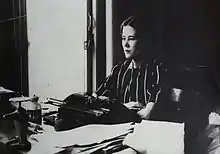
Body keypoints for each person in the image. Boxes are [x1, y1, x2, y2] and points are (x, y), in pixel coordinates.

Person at [92, 16, 166, 120]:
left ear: (144, 41)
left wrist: (114, 110)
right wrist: (124, 107)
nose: (125, 44)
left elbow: (147, 114)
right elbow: (95, 101)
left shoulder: (157, 69)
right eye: (123, 38)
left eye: (131, 39)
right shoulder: (119, 70)